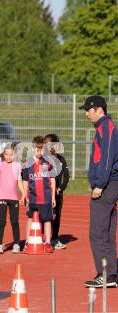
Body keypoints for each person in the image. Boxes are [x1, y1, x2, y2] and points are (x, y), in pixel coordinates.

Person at [80, 96, 118, 288]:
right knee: (108, 231)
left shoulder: (107, 128)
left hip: (107, 185)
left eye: (88, 110)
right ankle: (111, 273)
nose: (86, 114)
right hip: (109, 184)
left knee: (97, 232)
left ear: (99, 110)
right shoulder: (103, 128)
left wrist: (99, 185)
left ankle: (105, 274)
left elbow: (107, 159)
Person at [21, 136, 56, 253]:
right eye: (37, 149)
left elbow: (52, 179)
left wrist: (53, 197)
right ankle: (27, 241)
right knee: (30, 218)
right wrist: (25, 195)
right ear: (32, 149)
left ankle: (48, 242)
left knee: (47, 220)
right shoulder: (27, 164)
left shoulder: (47, 162)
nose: (39, 152)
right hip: (33, 198)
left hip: (46, 198)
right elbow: (25, 180)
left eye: (41, 150)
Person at [0, 144, 25, 254]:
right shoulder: (0, 166)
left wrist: (24, 194)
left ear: (14, 155)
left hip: (14, 198)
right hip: (2, 197)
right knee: (1, 221)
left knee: (14, 221)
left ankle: (16, 244)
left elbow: (19, 181)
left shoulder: (17, 166)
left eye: (11, 155)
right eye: (6, 154)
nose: (8, 157)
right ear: (4, 155)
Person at [44, 134, 69, 249]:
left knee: (56, 216)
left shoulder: (61, 159)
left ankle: (54, 239)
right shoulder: (42, 160)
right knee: (44, 216)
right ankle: (43, 238)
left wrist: (60, 188)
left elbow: (66, 176)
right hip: (44, 193)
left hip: (57, 193)